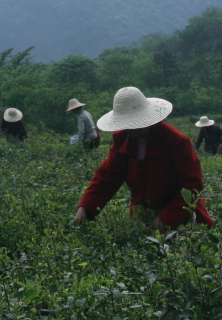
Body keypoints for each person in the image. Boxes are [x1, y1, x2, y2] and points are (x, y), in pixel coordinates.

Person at [73, 87, 214, 232]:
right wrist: (85, 207)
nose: (130, 128)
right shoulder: (122, 138)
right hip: (142, 211)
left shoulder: (176, 141)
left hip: (179, 212)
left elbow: (192, 188)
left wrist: (165, 220)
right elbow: (108, 176)